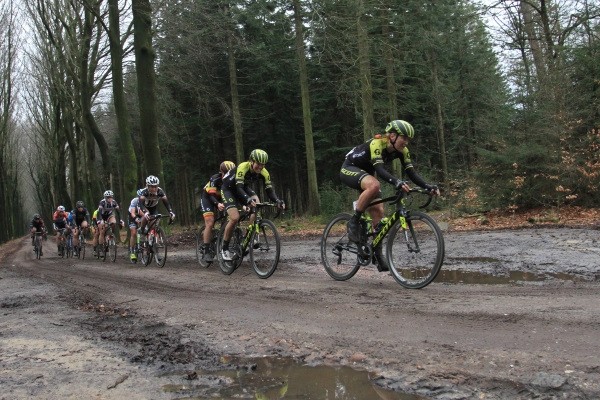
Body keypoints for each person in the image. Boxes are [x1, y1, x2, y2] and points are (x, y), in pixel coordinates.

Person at [341, 119, 440, 246]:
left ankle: (377, 254)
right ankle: (354, 221)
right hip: (349, 168)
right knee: (374, 185)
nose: (406, 142)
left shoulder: (403, 151)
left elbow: (412, 173)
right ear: (392, 136)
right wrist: (396, 182)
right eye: (404, 138)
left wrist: (427, 186)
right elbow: (380, 170)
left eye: (408, 139)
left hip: (367, 174)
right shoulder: (377, 143)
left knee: (378, 212)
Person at [219, 149, 285, 261]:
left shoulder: (264, 172)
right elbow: (238, 188)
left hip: (242, 188)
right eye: (258, 164)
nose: (260, 167)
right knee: (235, 218)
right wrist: (247, 199)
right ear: (251, 161)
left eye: (263, 165)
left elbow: (269, 190)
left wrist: (277, 200)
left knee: (257, 203)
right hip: (228, 189)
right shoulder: (243, 167)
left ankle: (248, 236)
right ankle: (224, 248)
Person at [199, 161, 236, 262]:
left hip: (222, 197)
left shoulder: (233, 179)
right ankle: (206, 251)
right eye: (226, 173)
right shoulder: (215, 178)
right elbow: (211, 195)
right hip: (208, 198)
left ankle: (222, 238)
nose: (228, 175)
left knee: (230, 218)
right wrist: (217, 204)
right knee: (210, 223)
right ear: (221, 172)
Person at [138, 176, 176, 242]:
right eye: (152, 187)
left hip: (153, 208)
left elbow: (166, 202)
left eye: (155, 186)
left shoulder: (160, 191)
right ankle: (142, 231)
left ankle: (152, 242)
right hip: (144, 207)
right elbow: (141, 203)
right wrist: (145, 212)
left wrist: (170, 212)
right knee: (146, 216)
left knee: (154, 225)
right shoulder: (144, 192)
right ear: (147, 186)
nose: (154, 188)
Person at [93, 191, 124, 256]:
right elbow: (99, 212)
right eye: (108, 198)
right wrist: (101, 220)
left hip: (109, 215)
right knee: (102, 231)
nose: (110, 199)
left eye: (111, 197)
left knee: (113, 222)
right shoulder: (102, 202)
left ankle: (110, 234)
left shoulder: (114, 202)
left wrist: (121, 220)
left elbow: (118, 212)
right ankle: (101, 248)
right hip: (101, 216)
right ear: (105, 198)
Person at [127, 189, 145, 261]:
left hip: (141, 216)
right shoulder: (135, 201)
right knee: (134, 233)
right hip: (132, 217)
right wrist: (136, 219)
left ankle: (143, 244)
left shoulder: (146, 201)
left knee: (144, 230)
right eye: (140, 196)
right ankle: (132, 251)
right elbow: (132, 213)